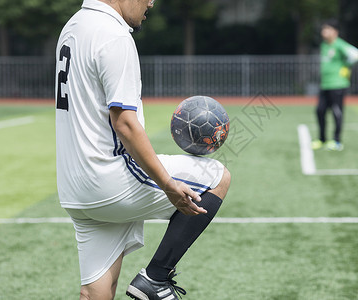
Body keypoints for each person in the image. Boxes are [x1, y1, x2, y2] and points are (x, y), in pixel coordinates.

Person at [54, 1, 231, 299]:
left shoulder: (73, 26)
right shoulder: (114, 35)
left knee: (95, 292)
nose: (151, 2)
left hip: (74, 187)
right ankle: (156, 279)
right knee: (217, 177)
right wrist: (167, 184)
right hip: (110, 179)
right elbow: (124, 123)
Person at [312, 19, 358, 151]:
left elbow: (357, 55)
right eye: (323, 29)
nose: (324, 32)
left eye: (327, 29)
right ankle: (322, 139)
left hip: (337, 84)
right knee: (320, 111)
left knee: (336, 112)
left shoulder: (340, 44)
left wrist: (347, 66)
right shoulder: (324, 45)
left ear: (335, 32)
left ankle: (337, 141)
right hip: (325, 84)